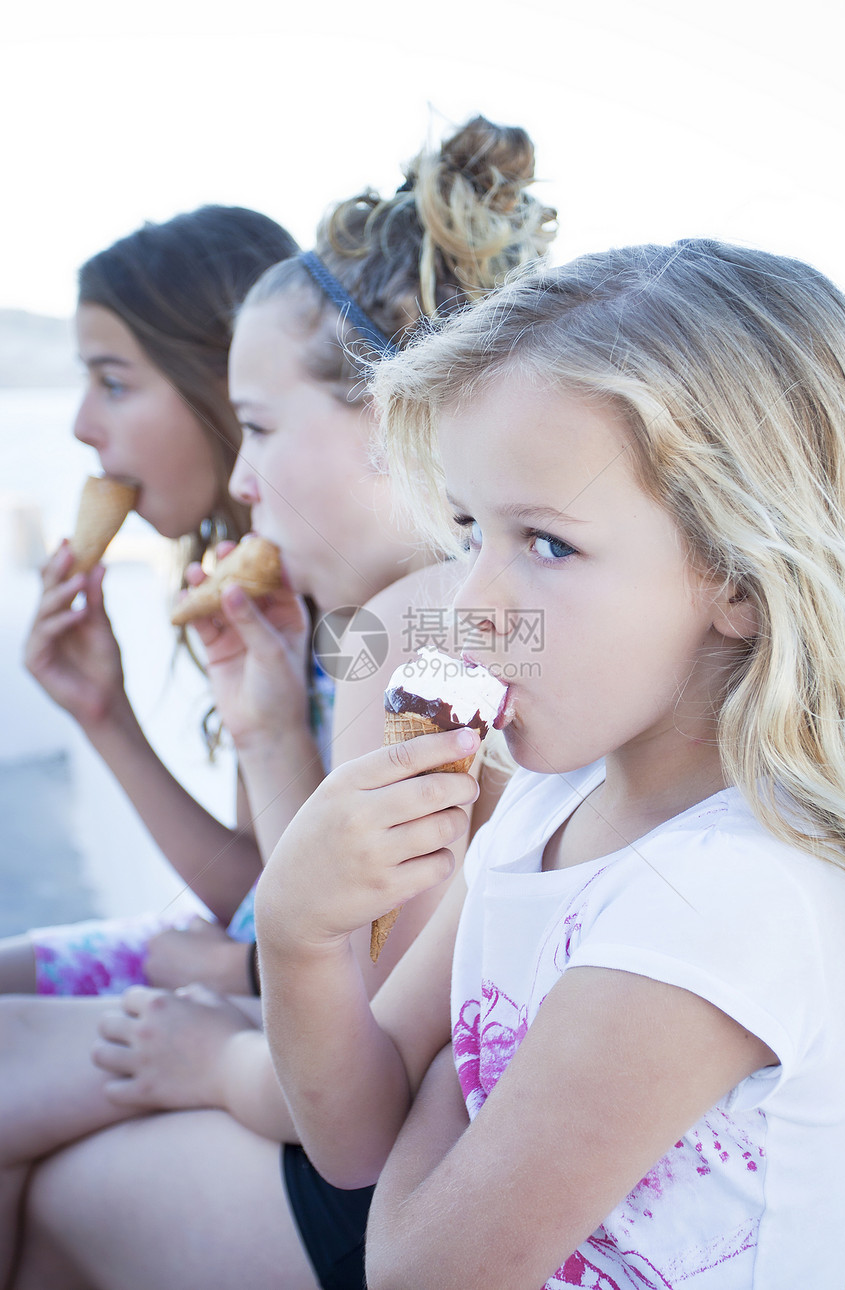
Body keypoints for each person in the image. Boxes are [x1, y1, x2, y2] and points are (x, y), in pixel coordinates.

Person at [2, 115, 556, 1290]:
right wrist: (255, 723)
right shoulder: (396, 621)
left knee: (36, 1144)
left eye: (258, 429)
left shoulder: (415, 633)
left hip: (377, 1184)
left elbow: (349, 1034)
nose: (244, 480)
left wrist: (210, 1020)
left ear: (395, 423)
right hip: (383, 1143)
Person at [246, 238, 845, 1289]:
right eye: (467, 530)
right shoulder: (547, 799)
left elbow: (414, 1269)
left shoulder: (719, 896)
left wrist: (447, 1076)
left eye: (546, 544)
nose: (469, 602)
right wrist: (301, 938)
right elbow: (353, 1138)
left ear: (741, 580)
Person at [2, 205, 299, 998]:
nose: (80, 426)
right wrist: (104, 714)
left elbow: (320, 942)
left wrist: (232, 969)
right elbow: (258, 892)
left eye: (113, 382)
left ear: (227, 384)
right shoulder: (240, 588)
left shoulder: (344, 608)